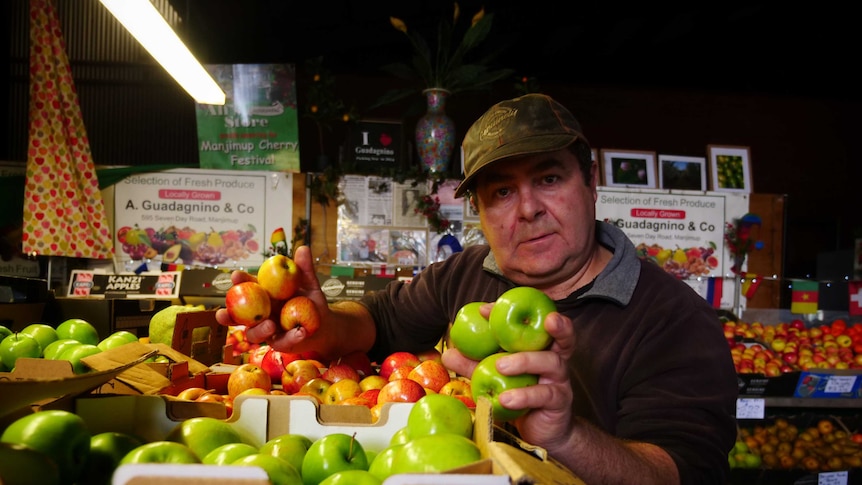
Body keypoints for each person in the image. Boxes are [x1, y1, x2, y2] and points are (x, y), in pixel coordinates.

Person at [216, 93, 738, 485]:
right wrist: (323, 326)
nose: (528, 208)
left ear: (590, 182)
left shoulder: (674, 319)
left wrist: (565, 436)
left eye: (549, 178)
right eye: (502, 192)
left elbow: (678, 472)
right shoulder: (466, 276)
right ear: (481, 214)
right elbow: (377, 321)